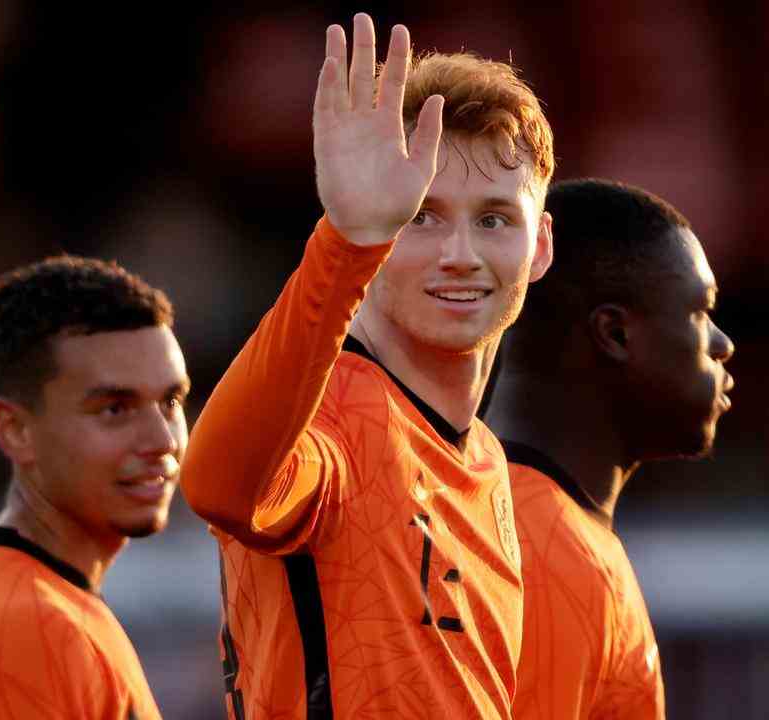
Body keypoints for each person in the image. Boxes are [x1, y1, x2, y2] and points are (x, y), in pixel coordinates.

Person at [179, 13, 554, 719]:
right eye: (422, 215)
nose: (462, 254)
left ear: (541, 246)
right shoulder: (339, 414)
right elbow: (219, 484)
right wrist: (348, 241)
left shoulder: (485, 460)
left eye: (496, 219)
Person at [0, 256, 190, 720]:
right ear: (15, 431)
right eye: (115, 408)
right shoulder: (29, 631)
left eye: (170, 401)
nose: (163, 440)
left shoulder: (1, 593)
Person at [482, 179, 736, 719]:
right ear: (616, 334)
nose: (721, 344)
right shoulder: (539, 550)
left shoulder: (536, 525)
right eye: (700, 311)